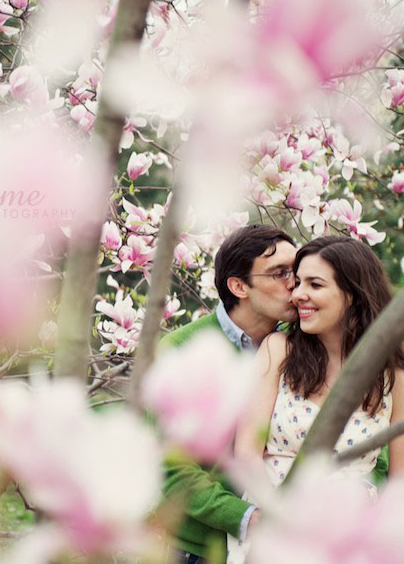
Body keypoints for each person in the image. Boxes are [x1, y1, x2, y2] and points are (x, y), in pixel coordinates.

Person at [228, 236, 404, 563]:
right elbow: (247, 452)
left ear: (353, 295)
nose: (297, 294)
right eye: (298, 282)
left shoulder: (401, 381)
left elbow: (403, 491)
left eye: (315, 284)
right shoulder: (278, 351)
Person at [160, 224, 298, 564]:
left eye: (298, 269)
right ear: (239, 286)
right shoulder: (180, 351)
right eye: (280, 273)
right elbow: (171, 469)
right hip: (197, 549)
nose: (295, 283)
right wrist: (250, 517)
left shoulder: (302, 351)